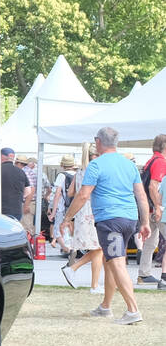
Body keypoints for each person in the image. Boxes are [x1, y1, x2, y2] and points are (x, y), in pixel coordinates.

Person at [61, 126, 150, 325]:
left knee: (116, 263)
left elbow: (83, 195)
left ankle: (133, 310)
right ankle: (105, 307)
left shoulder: (96, 165)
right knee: (112, 262)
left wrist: (67, 219)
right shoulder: (129, 165)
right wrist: (145, 222)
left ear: (98, 141)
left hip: (110, 220)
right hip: (129, 218)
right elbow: (141, 195)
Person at [62, 143, 104, 295]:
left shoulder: (79, 171)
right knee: (98, 248)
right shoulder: (95, 170)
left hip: (81, 211)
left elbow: (71, 192)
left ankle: (91, 282)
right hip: (92, 210)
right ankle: (86, 279)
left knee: (97, 249)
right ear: (94, 156)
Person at [135, 134, 166, 287]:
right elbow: (153, 186)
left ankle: (144, 274)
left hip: (147, 207)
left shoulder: (151, 160)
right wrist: (158, 207)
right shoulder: (161, 162)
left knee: (150, 241)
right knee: (151, 241)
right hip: (155, 208)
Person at [0, 147, 31, 221]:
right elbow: (28, 190)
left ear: (2, 156)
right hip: (16, 210)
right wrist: (17, 197)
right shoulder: (20, 171)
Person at [49, 154, 76, 255]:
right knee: (71, 228)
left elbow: (57, 194)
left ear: (62, 164)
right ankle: (72, 248)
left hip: (63, 207)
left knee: (57, 230)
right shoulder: (77, 174)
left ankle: (68, 250)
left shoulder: (62, 175)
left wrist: (53, 211)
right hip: (76, 206)